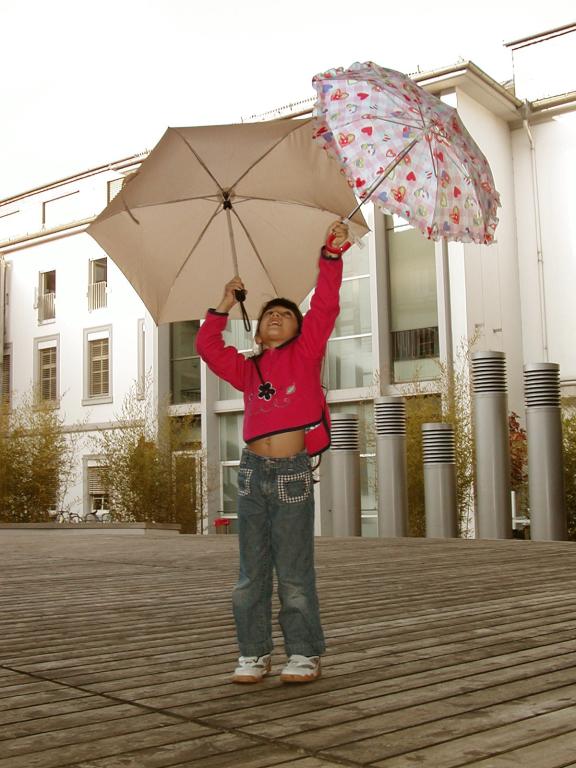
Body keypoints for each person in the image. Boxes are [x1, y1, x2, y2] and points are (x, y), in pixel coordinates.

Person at [196, 220, 350, 684]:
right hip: (251, 474)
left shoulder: (306, 355)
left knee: (295, 570)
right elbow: (207, 345)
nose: (278, 317)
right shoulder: (248, 370)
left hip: (291, 473)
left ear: (300, 331)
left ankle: (303, 652)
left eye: (286, 314)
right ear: (259, 332)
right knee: (251, 571)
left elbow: (324, 306)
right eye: (270, 316)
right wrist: (224, 302)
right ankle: (254, 652)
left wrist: (330, 255)